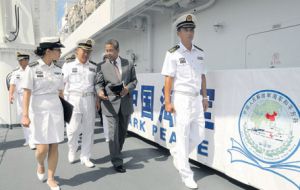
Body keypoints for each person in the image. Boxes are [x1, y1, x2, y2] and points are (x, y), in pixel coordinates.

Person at [161, 14, 209, 189]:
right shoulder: (173, 53)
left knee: (200, 134)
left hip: (196, 98)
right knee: (182, 135)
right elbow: (168, 79)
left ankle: (178, 155)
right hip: (180, 98)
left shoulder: (200, 53)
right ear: (179, 32)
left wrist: (205, 97)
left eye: (192, 29)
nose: (190, 33)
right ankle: (186, 174)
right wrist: (168, 101)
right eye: (186, 30)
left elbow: (202, 76)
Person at [22, 37, 65, 190]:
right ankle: (40, 164)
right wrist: (25, 115)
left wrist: (66, 111)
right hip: (38, 111)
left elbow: (60, 92)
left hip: (56, 110)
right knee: (42, 148)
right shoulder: (32, 68)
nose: (60, 52)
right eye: (58, 50)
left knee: (54, 145)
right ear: (48, 51)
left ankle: (51, 178)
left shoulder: (59, 70)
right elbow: (26, 92)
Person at [95, 39, 137, 173]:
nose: (108, 53)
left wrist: (128, 88)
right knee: (113, 134)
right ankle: (117, 161)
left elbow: (134, 81)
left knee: (122, 133)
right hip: (110, 103)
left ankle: (116, 152)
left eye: (110, 50)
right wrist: (100, 92)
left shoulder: (128, 64)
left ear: (117, 50)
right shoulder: (101, 65)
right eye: (106, 50)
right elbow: (98, 83)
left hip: (125, 103)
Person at [62, 39, 97, 168]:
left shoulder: (93, 67)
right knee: (72, 129)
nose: (86, 54)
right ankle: (72, 149)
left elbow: (96, 85)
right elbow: (62, 84)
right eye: (84, 51)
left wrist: (97, 101)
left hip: (89, 99)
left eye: (88, 52)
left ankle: (85, 156)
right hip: (72, 99)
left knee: (89, 129)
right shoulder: (68, 66)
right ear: (77, 51)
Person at [9, 52, 35, 149]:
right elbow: (12, 84)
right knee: (22, 118)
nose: (20, 62)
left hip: (31, 96)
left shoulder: (32, 70)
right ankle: (27, 139)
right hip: (20, 97)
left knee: (31, 117)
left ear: (27, 60)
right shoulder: (15, 72)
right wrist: (11, 95)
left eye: (21, 60)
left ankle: (33, 140)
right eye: (19, 60)